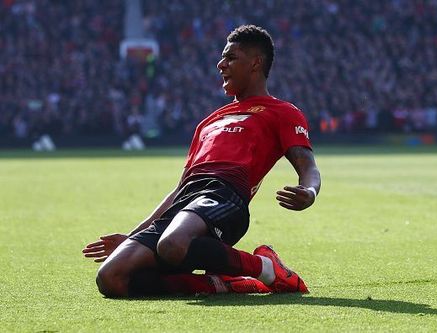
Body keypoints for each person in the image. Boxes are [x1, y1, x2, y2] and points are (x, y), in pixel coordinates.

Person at [82, 25, 321, 297]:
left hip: (225, 196)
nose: (221, 65)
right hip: (185, 203)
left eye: (231, 58)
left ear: (255, 63)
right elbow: (181, 187)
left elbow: (308, 166)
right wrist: (134, 234)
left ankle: (266, 268)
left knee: (173, 244)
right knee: (112, 278)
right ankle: (219, 284)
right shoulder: (209, 121)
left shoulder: (282, 112)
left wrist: (309, 190)